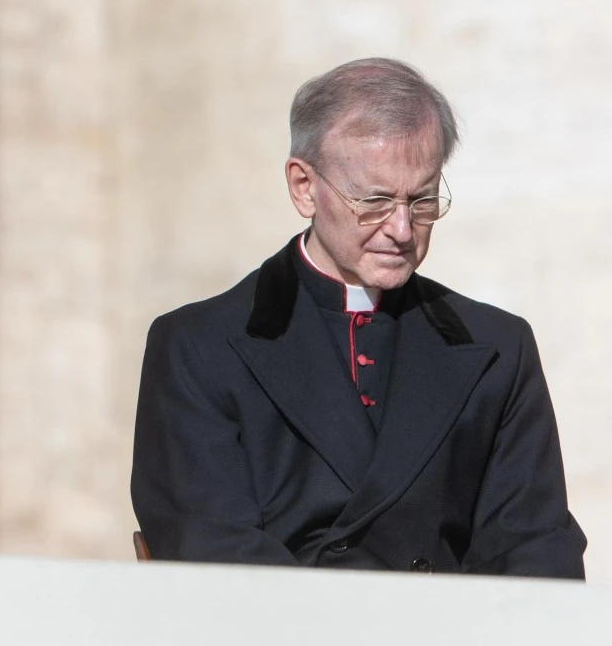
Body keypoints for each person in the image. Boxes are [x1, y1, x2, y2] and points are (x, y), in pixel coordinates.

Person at [131, 58, 585, 576]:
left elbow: (535, 548)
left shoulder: (499, 347)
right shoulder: (198, 347)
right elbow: (210, 550)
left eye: (422, 199)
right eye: (373, 201)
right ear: (304, 187)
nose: (401, 228)